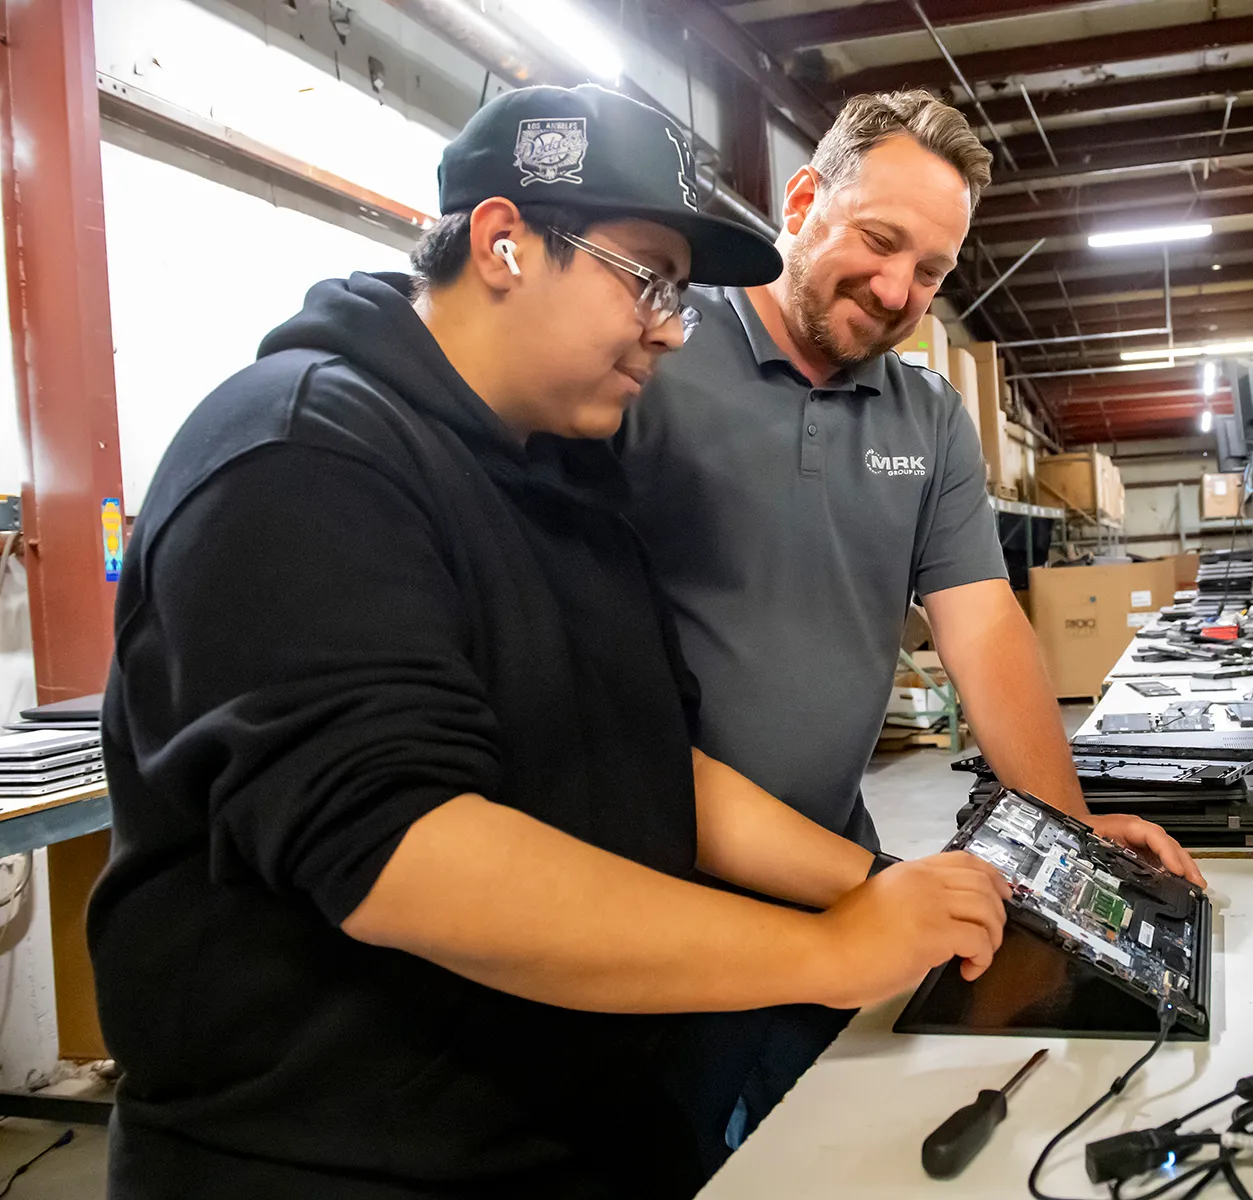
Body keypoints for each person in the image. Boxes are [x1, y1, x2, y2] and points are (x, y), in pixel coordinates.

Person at [89, 84, 1007, 1200]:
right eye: (648, 282)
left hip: (568, 1122)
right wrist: (827, 951)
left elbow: (649, 770)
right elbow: (408, 857)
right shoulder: (298, 458)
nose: (673, 327)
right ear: (503, 242)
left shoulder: (558, 479)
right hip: (337, 1159)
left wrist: (885, 883)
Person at [614, 91, 1206, 1152]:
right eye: (879, 241)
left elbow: (985, 633)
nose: (897, 290)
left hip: (842, 879)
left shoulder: (925, 417)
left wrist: (1066, 848)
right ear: (803, 200)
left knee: (842, 1149)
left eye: (931, 272)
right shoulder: (650, 358)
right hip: (657, 889)